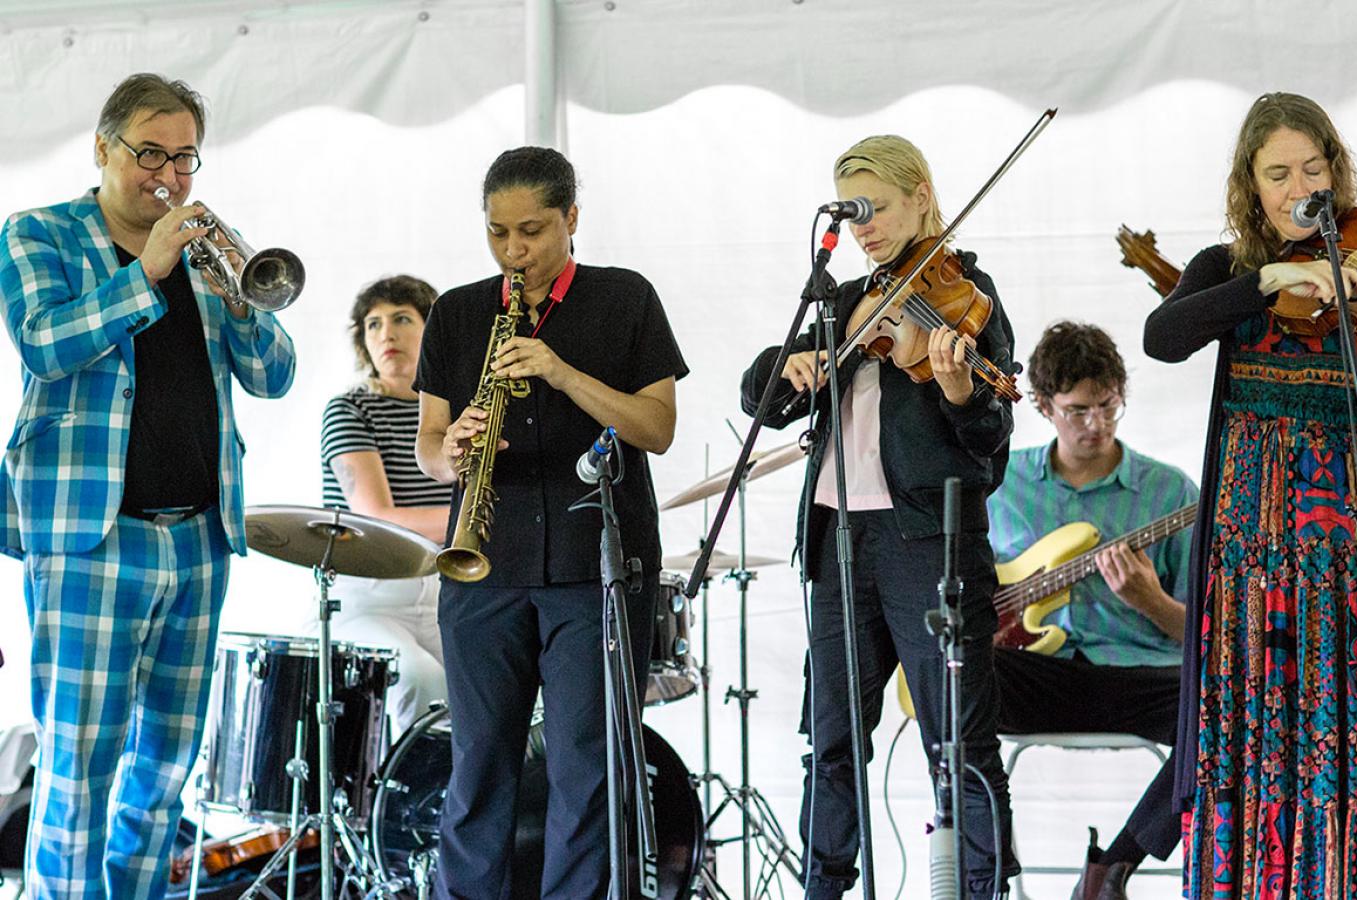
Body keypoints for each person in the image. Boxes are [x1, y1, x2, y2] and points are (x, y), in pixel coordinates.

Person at [1143, 91, 1357, 898]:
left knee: (1348, 730)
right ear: (1253, 187)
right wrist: (1270, 277)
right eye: (1279, 172)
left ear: (1335, 173)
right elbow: (1164, 339)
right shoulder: (1226, 273)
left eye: (1313, 166)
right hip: (1246, 556)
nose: (1300, 183)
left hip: (1346, 553)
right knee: (1254, 725)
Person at [0, 73, 296, 898]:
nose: (168, 173)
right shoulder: (38, 234)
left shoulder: (209, 252)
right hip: (92, 537)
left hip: (199, 538)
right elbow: (43, 343)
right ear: (103, 149)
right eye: (149, 153)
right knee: (79, 764)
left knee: (164, 770)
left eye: (185, 157)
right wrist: (148, 272)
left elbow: (274, 376)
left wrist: (241, 297)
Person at [740, 134, 1018, 899]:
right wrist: (789, 364)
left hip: (926, 543)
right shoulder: (838, 302)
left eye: (878, 208)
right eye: (853, 212)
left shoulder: (967, 294)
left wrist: (960, 392)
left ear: (923, 196)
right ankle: (824, 889)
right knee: (830, 742)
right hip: (839, 541)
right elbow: (757, 393)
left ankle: (973, 890)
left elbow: (992, 441)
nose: (864, 227)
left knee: (958, 744)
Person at [413, 145, 688, 898]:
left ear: (572, 217)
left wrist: (559, 370)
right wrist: (455, 446)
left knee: (585, 769)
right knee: (477, 764)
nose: (513, 251)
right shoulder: (459, 311)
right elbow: (429, 449)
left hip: (594, 566)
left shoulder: (625, 298)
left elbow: (656, 426)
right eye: (498, 233)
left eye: (531, 231)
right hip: (483, 566)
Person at [985, 321, 1197, 900]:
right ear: (1042, 405)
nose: (1096, 425)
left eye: (1108, 407)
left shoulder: (1172, 493)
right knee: (948, 681)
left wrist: (1150, 600)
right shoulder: (999, 485)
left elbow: (1206, 636)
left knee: (1229, 704)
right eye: (1077, 410)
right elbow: (963, 592)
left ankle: (1112, 871)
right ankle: (989, 870)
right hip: (1038, 674)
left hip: (1137, 672)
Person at [319, 274, 449, 735]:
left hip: (448, 595)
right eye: (372, 325)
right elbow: (376, 519)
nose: (386, 334)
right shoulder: (350, 409)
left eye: (400, 319)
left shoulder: (455, 413)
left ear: (432, 330)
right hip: (371, 599)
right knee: (421, 679)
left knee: (497, 684)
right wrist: (474, 521)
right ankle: (411, 806)